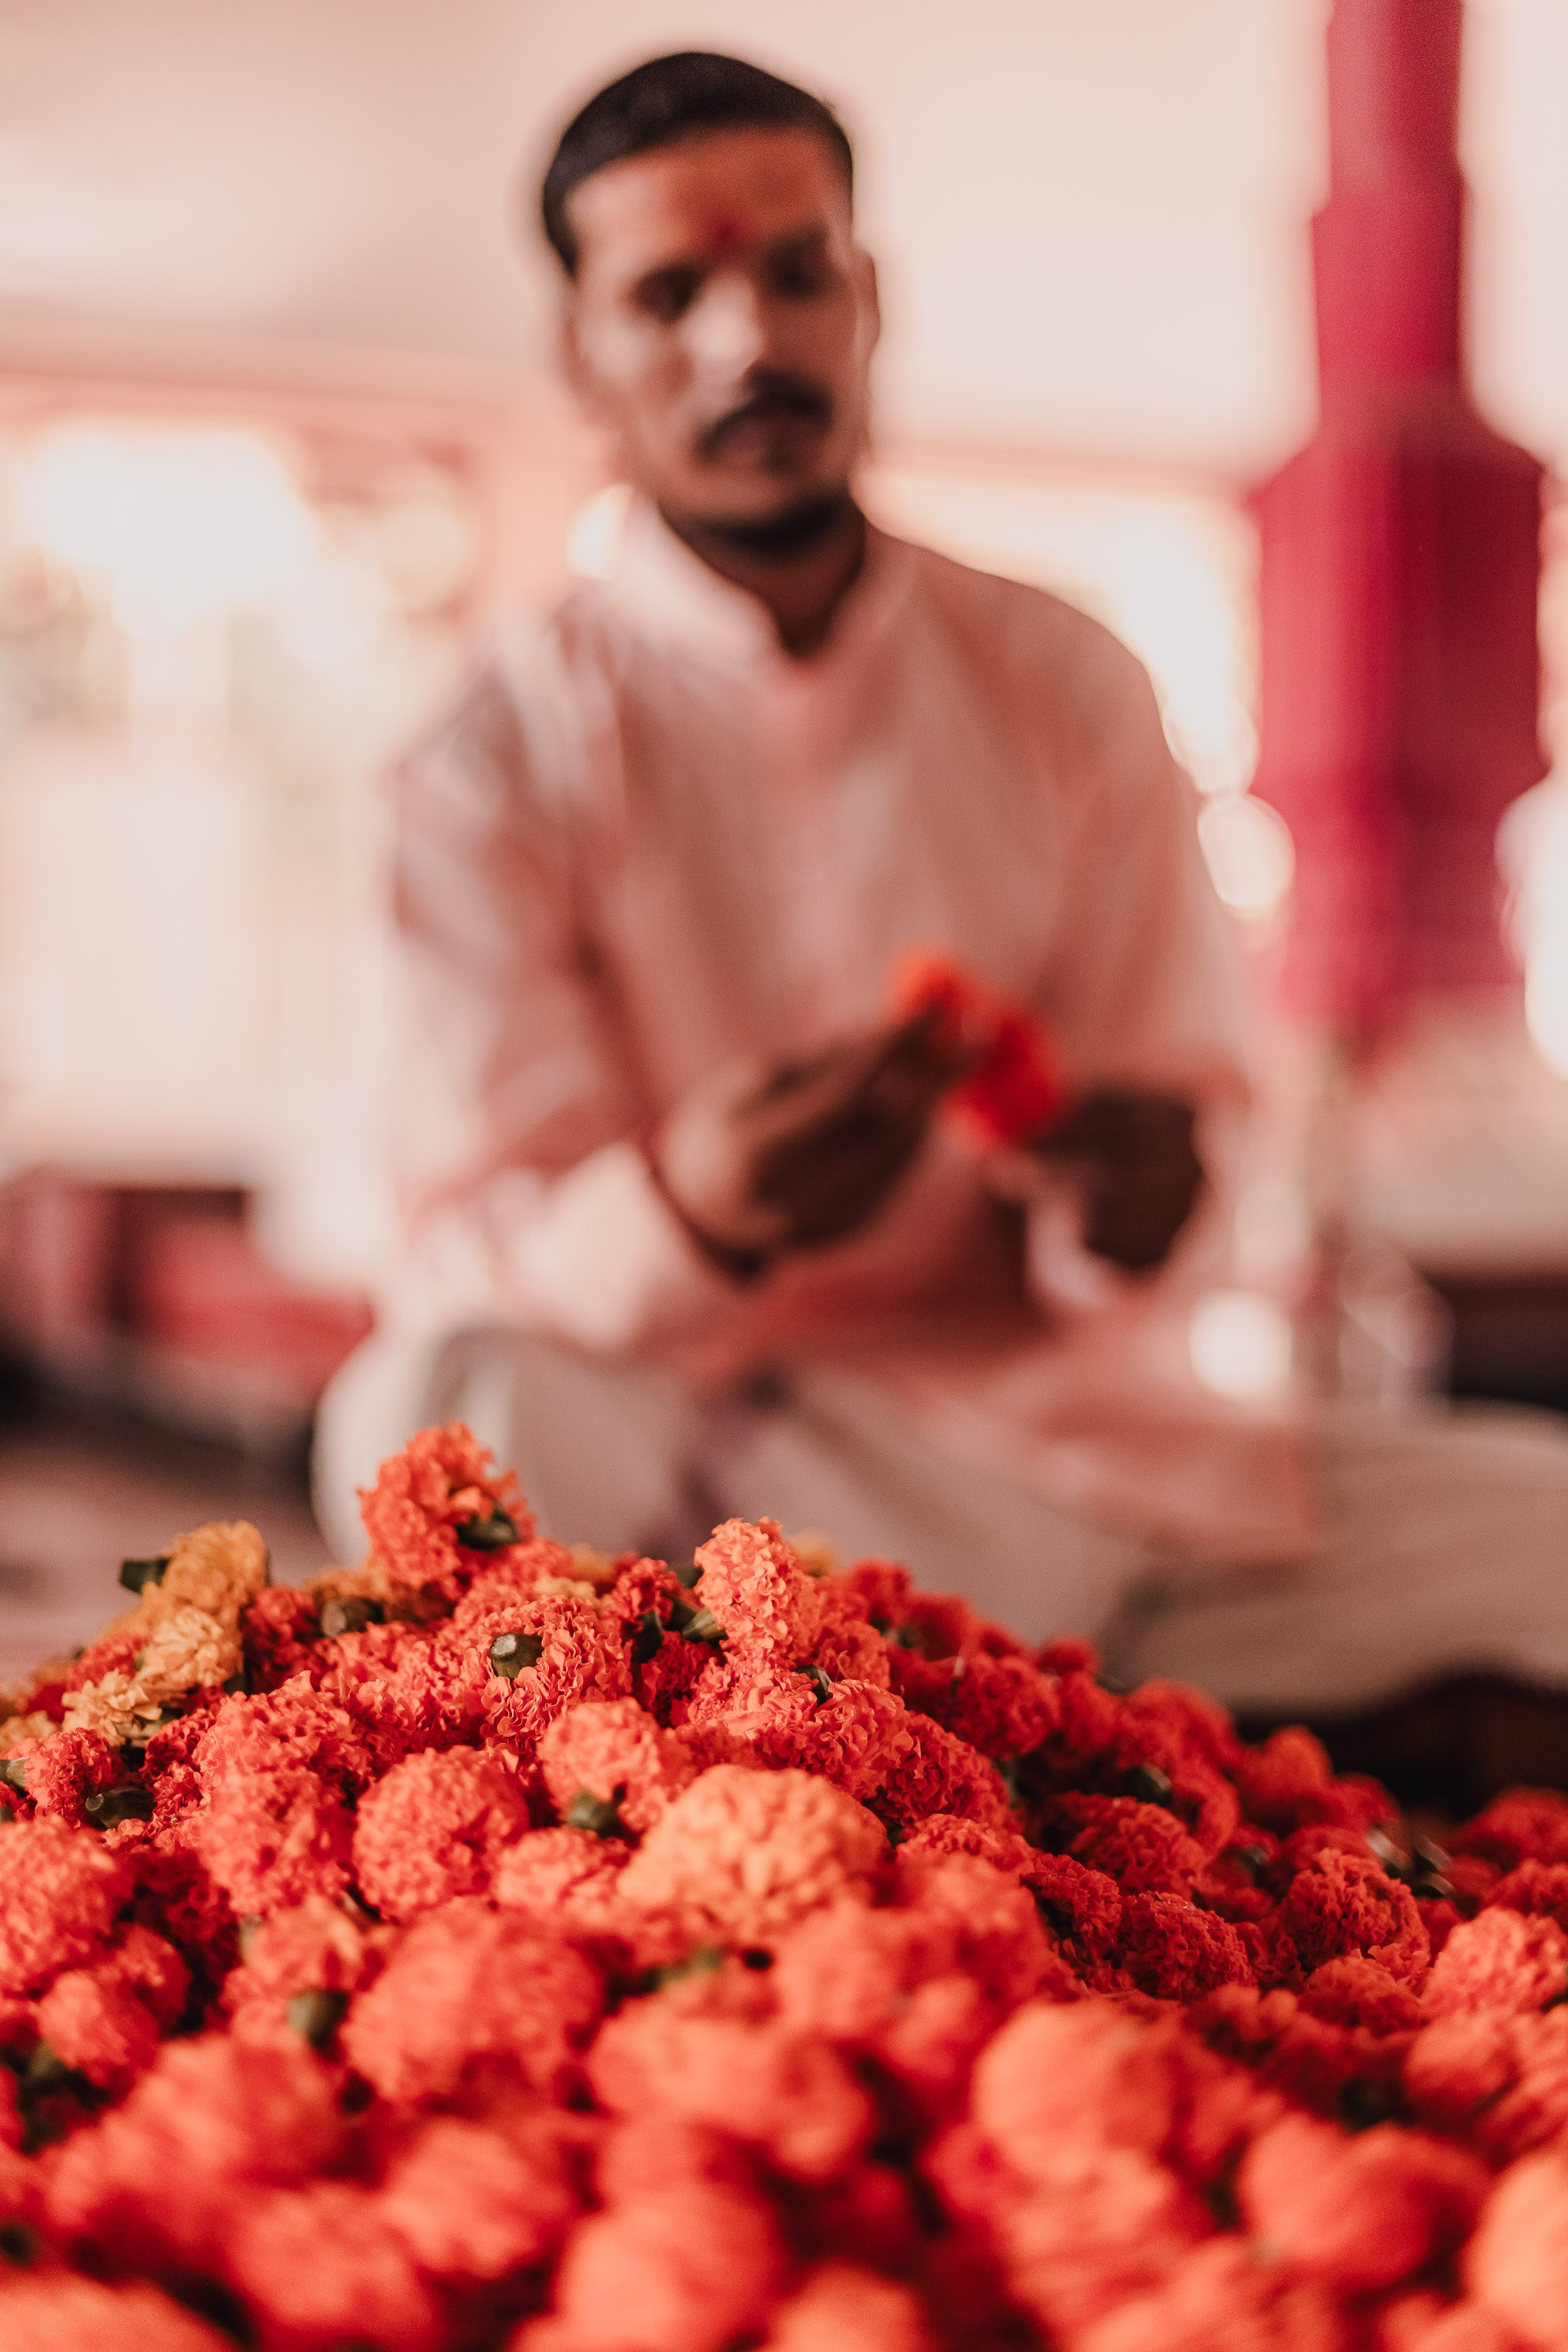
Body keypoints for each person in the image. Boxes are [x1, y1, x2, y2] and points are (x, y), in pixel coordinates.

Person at [317, 51, 1568, 1799]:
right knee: (421, 1409)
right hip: (693, 1474)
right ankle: (1090, 1719)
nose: (748, 342)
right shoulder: (488, 753)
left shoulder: (1066, 680)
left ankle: (986, 1707)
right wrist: (696, 1208)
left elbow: (1195, 1143)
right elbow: (451, 1251)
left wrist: (1137, 1201)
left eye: (796, 273)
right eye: (671, 294)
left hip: (1075, 1465)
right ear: (581, 359)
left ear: (870, 298)